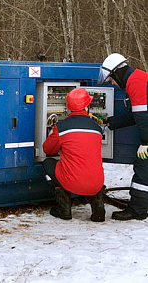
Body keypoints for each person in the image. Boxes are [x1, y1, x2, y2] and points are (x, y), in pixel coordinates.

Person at [42, 87, 105, 221]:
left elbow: (48, 150)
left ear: (69, 108)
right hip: (97, 183)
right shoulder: (97, 128)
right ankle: (97, 205)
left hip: (72, 182)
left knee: (48, 163)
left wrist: (52, 135)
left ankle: (63, 208)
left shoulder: (62, 127)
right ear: (86, 107)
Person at [99, 53, 148, 221]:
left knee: (143, 168)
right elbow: (133, 115)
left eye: (112, 79)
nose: (112, 83)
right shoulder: (138, 78)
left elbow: (142, 117)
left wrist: (146, 143)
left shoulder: (135, 82)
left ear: (117, 73)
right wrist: (109, 122)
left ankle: (137, 211)